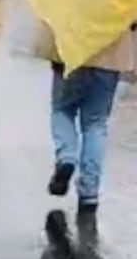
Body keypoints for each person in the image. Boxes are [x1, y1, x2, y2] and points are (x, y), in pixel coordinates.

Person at [35, 22, 136, 213]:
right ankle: (89, 191)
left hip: (70, 51)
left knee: (62, 110)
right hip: (109, 56)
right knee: (95, 123)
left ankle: (66, 158)